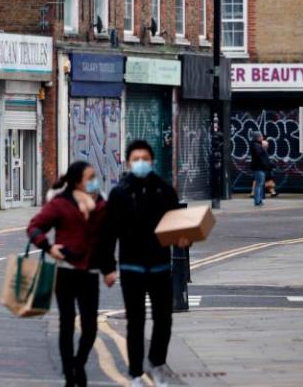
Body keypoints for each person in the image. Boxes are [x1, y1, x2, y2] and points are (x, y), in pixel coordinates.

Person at [98, 140, 188, 387]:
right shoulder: (120, 193)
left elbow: (179, 224)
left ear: (152, 161)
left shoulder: (165, 190)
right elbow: (109, 233)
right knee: (135, 322)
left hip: (160, 265)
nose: (141, 163)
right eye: (136, 159)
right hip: (131, 267)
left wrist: (183, 240)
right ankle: (136, 373)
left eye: (145, 159)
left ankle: (157, 364)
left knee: (164, 319)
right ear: (128, 163)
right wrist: (108, 268)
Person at [27, 161, 107, 387]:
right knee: (67, 323)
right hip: (66, 272)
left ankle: (78, 363)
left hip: (90, 271)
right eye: (89, 177)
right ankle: (70, 376)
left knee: (90, 327)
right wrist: (48, 247)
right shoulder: (60, 203)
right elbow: (34, 227)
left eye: (94, 177)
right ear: (76, 181)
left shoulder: (100, 202)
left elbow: (109, 232)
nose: (94, 181)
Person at [249, 133, 272, 206]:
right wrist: (264, 147)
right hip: (259, 168)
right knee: (259, 185)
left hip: (259, 167)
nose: (262, 138)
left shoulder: (256, 145)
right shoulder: (256, 145)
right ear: (258, 137)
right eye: (261, 136)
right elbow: (261, 156)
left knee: (260, 185)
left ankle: (259, 200)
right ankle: (258, 201)